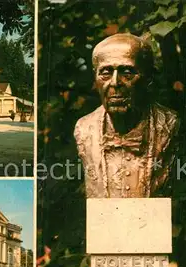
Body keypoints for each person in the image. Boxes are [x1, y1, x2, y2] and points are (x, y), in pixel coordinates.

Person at [74, 33, 180, 199]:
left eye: (127, 72)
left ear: (148, 78)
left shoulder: (169, 123)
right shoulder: (84, 128)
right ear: (95, 77)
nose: (115, 83)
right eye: (106, 73)